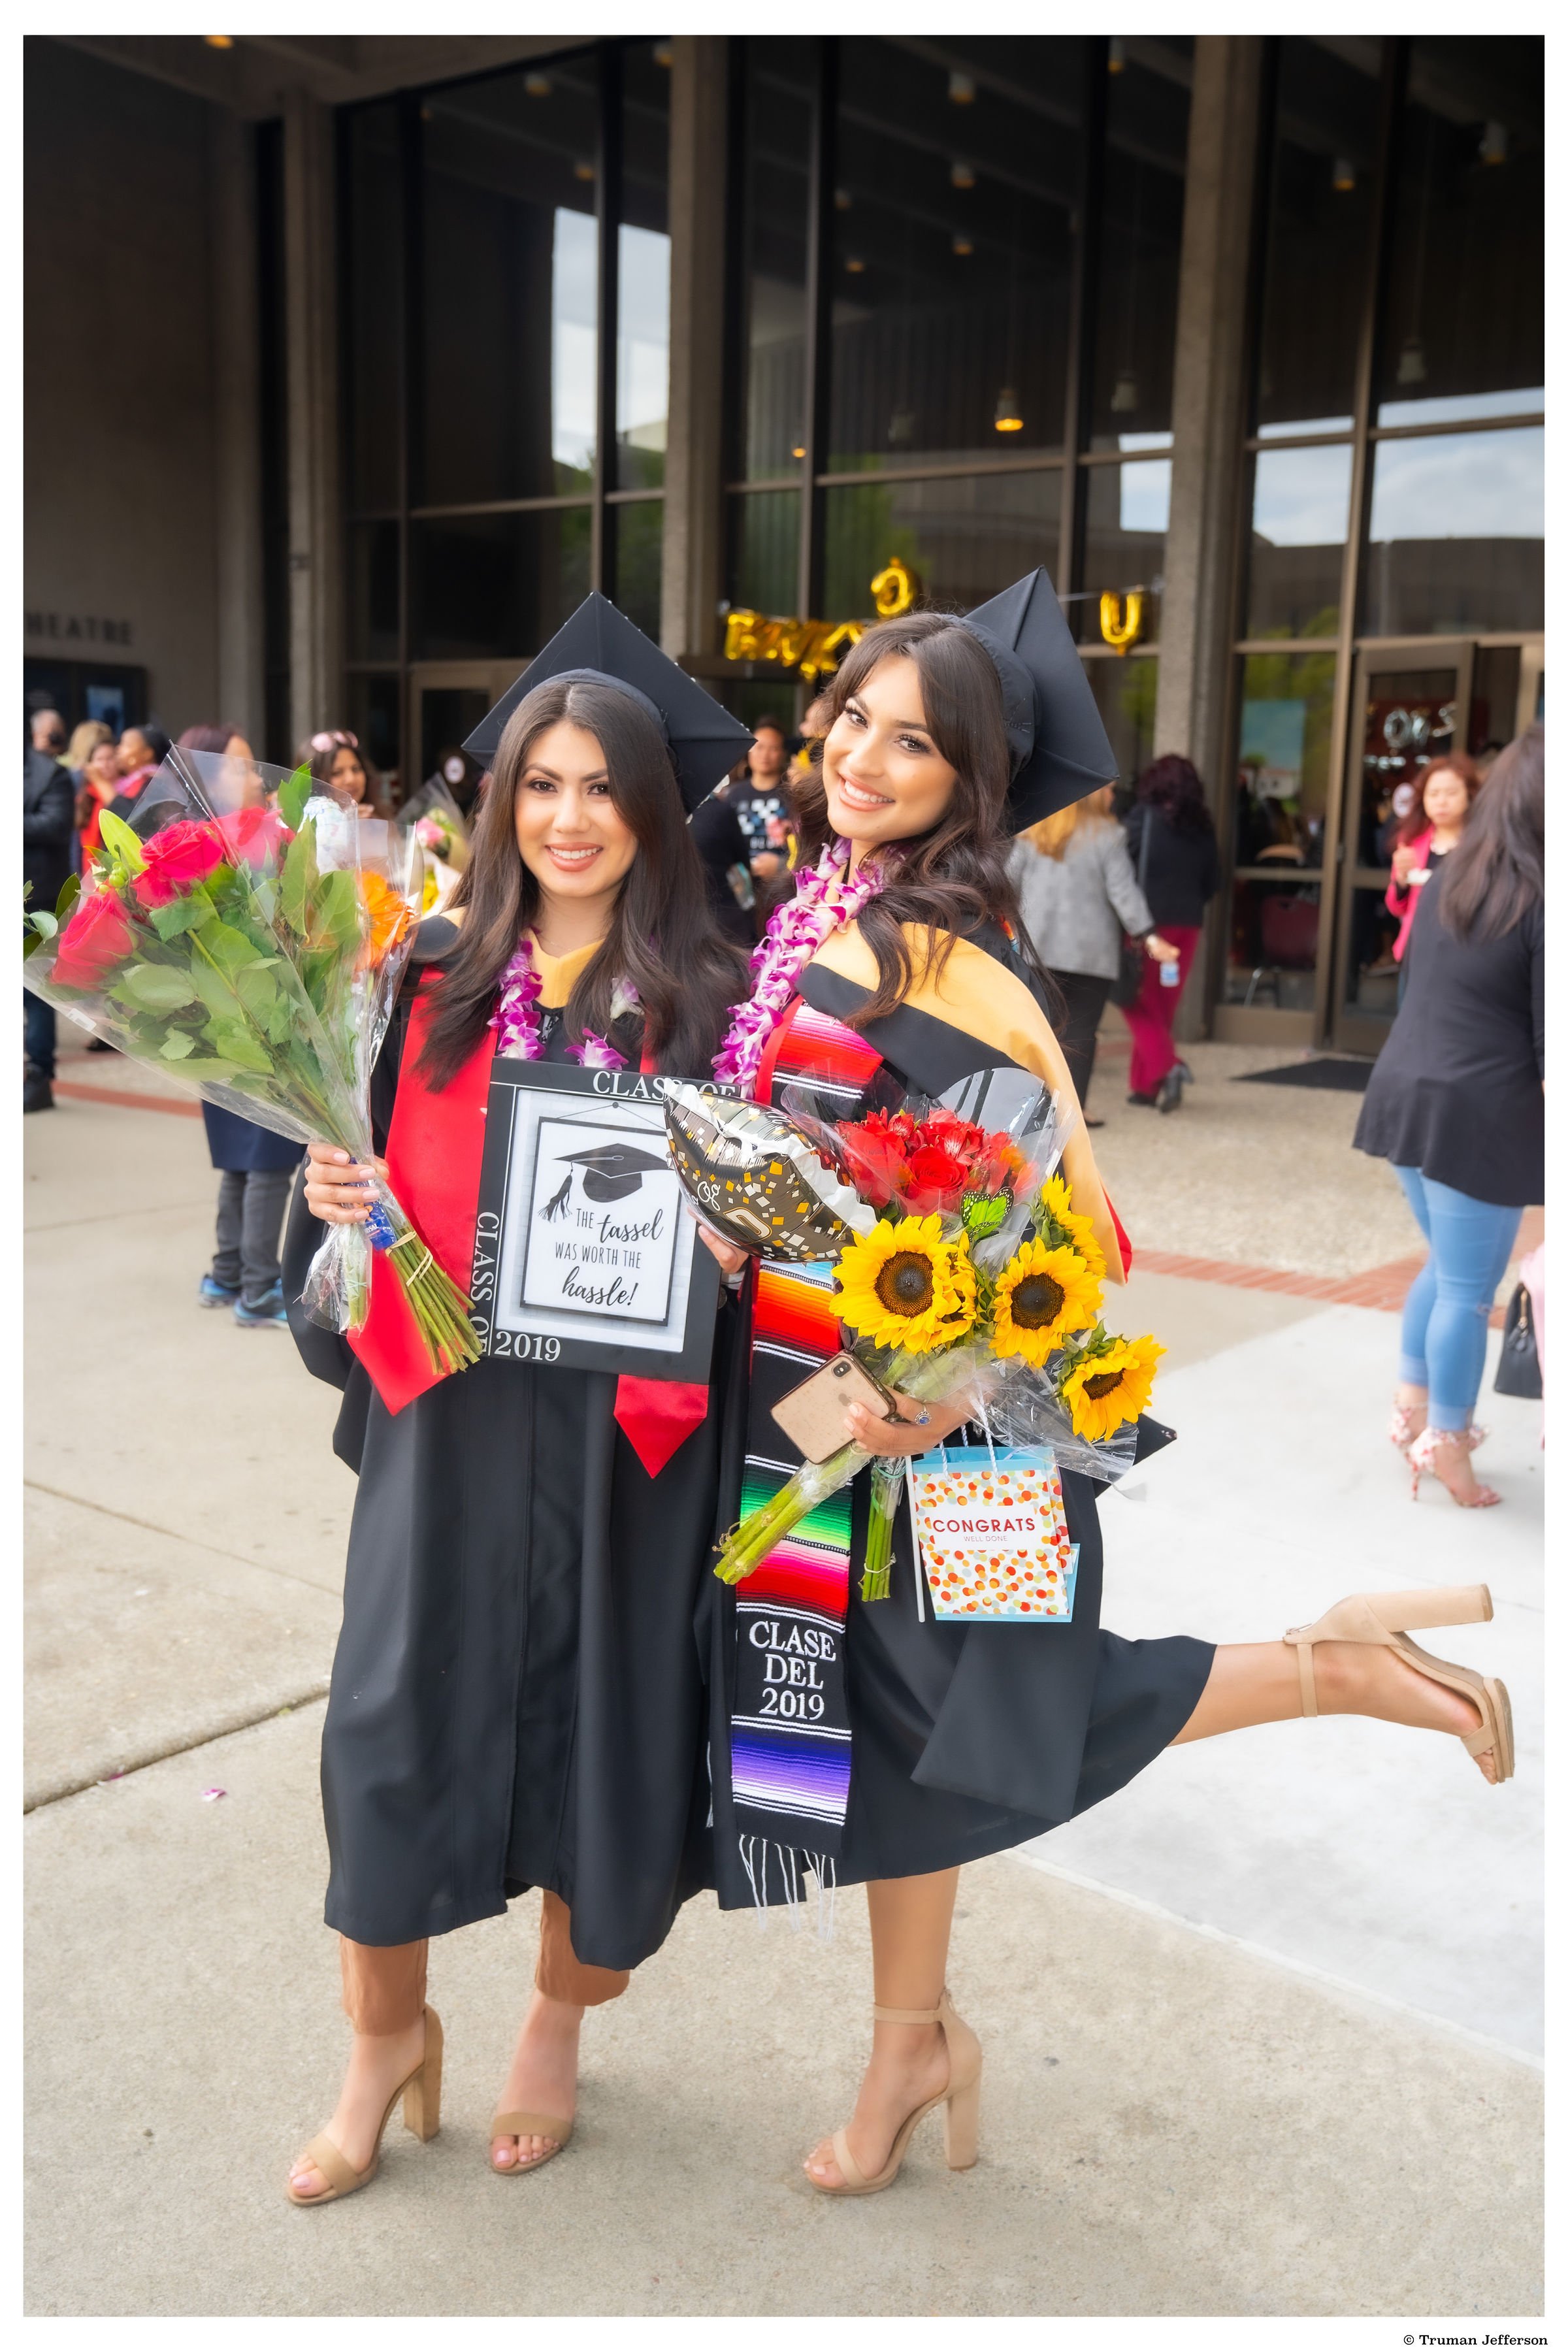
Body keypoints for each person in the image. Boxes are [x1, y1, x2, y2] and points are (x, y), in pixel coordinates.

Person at [695, 576, 1512, 2202]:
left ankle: (1335, 1662)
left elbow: (1044, 1230)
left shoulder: (952, 957)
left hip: (970, 1428)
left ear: (965, 783)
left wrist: (932, 1385)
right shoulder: (825, 914)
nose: (858, 752)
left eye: (907, 740)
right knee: (883, 1735)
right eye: (851, 713)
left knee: (996, 1720)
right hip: (832, 1406)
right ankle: (909, 2042)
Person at [278, 598, 753, 2205]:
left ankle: (552, 2029)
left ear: (647, 807)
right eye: (538, 784)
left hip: (628, 1443)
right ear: (500, 803)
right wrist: (331, 1191)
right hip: (450, 1416)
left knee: (600, 1740)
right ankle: (381, 2038)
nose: (567, 816)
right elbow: (342, 1228)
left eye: (601, 786)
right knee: (392, 1727)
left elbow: (775, 1238)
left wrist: (733, 1237)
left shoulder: (709, 994)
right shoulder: (423, 976)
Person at [1355, 727, 1544, 1509]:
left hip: (1408, 1090)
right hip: (1481, 1110)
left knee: (1447, 1268)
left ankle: (1412, 1412)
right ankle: (1451, 1446)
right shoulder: (1541, 890)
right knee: (1469, 1289)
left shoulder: (1451, 872)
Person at [1007, 784, 1179, 1124]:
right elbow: (1123, 892)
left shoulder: (1033, 830)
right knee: (1081, 1033)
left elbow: (1008, 882)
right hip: (1091, 955)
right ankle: (1075, 1110)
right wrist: (1149, 936)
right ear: (1092, 795)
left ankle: (1027, 1109)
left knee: (1037, 1029)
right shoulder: (1108, 835)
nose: (1113, 797)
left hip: (1035, 949)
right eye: (1109, 791)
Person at [1119, 755, 1220, 1112]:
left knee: (1136, 1002)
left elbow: (1121, 874)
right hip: (1187, 928)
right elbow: (1213, 883)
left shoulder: (1141, 819)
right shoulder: (1202, 826)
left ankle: (1169, 1067)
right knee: (1161, 1008)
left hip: (1147, 927)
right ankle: (1146, 1087)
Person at [1384, 751, 1481, 991]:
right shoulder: (1412, 844)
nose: (1441, 801)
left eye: (1451, 793)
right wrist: (1401, 882)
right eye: (1434, 794)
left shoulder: (1480, 848)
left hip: (1464, 958)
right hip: (1416, 954)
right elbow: (1396, 906)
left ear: (1469, 795)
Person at [23, 710, 75, 1113]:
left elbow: (57, 824)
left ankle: (39, 1075)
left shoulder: (49, 773)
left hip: (34, 898)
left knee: (35, 990)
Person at [304, 728, 389, 818]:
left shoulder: (379, 821)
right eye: (337, 773)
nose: (351, 780)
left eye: (356, 769)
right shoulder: (299, 829)